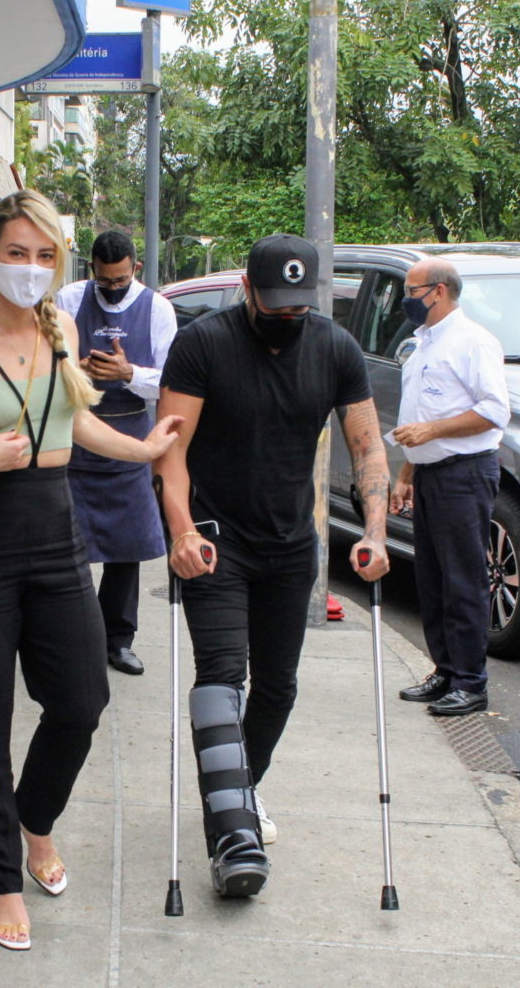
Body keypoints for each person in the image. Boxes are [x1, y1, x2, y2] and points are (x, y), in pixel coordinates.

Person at [0, 190, 181, 951]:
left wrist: (144, 450)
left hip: (56, 529)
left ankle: (33, 819)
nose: (31, 267)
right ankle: (1, 875)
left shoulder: (60, 328)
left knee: (82, 700)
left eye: (45, 255)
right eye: (17, 252)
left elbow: (71, 421)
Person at [154, 233, 390, 898]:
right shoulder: (203, 344)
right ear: (247, 290)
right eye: (274, 303)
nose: (287, 316)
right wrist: (180, 530)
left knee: (278, 687)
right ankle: (232, 836)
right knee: (223, 677)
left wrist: (374, 532)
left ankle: (240, 787)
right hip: (214, 540)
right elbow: (170, 450)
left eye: (298, 306)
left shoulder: (335, 348)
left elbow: (368, 448)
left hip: (290, 544)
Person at [390, 260, 509, 716]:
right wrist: (407, 473)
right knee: (432, 578)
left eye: (411, 291)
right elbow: (419, 416)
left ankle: (470, 683)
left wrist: (433, 431)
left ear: (438, 291)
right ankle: (445, 670)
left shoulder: (472, 341)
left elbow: (494, 411)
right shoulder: (424, 342)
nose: (406, 300)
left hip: (465, 472)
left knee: (463, 579)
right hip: (430, 472)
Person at [56, 231, 178, 675]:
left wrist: (129, 373)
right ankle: (73, 637)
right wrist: (78, 370)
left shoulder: (157, 308)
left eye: (120, 281)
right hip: (75, 436)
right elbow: (48, 364)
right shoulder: (69, 300)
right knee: (69, 546)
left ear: (136, 269)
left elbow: (170, 380)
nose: (112, 288)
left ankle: (118, 640)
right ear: (91, 270)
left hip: (130, 439)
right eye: (104, 281)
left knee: (127, 549)